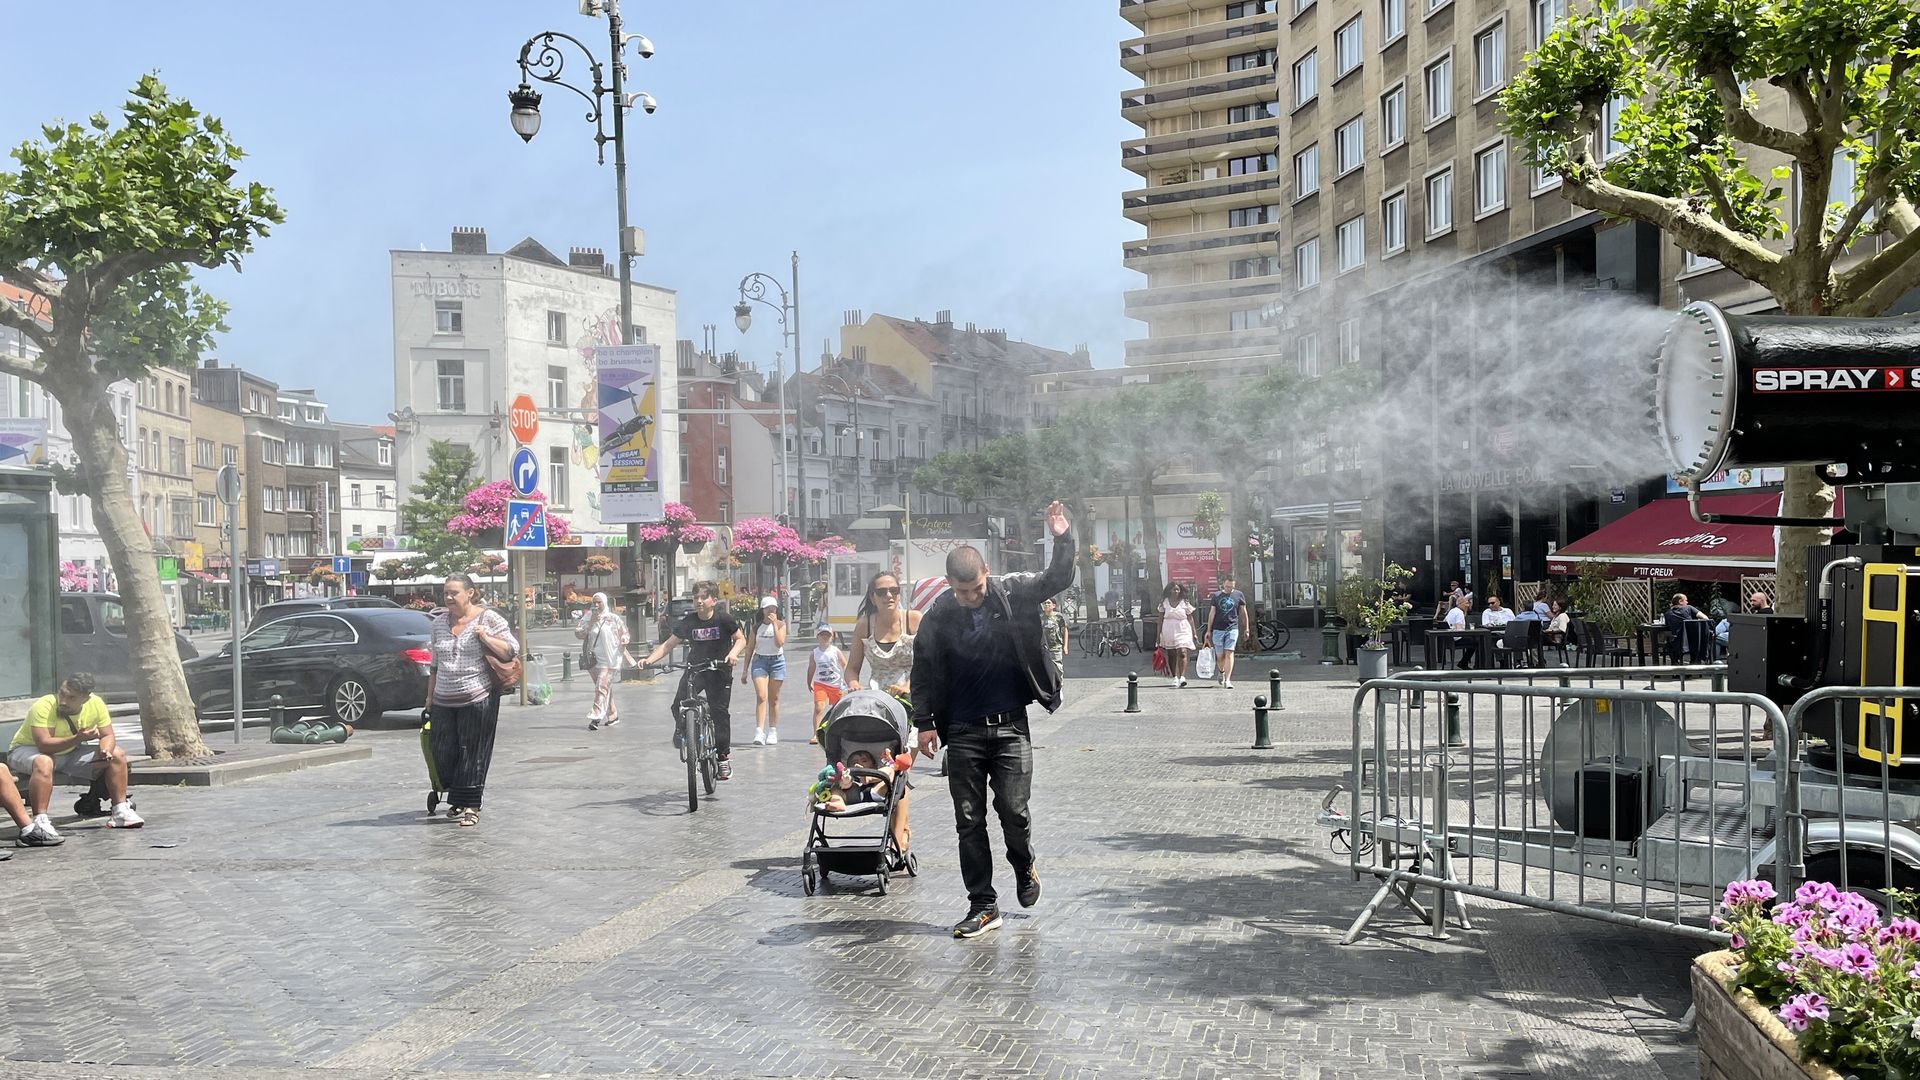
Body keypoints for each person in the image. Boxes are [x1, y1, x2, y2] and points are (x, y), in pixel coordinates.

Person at [912, 500, 1074, 939]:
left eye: (976, 589)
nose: (970, 598)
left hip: (1010, 729)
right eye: (962, 592)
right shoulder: (940, 615)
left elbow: (1057, 579)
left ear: (986, 572)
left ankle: (1024, 866)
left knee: (1014, 813)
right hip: (962, 731)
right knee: (969, 821)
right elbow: (922, 671)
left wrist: (1062, 537)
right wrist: (924, 722)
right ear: (950, 585)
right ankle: (983, 904)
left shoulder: (1012, 591)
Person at [426, 573, 519, 827]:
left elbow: (512, 650)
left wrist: (485, 637)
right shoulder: (438, 624)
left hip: (478, 696)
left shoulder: (488, 618)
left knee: (473, 752)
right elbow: (434, 665)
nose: (448, 597)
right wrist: (429, 697)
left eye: (453, 592)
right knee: (443, 750)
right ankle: (457, 797)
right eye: (445, 593)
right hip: (444, 697)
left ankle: (471, 805)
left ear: (471, 593)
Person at [7, 671, 138, 839]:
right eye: (62, 693)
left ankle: (120, 811)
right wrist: (78, 738)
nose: (63, 701)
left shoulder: (96, 704)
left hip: (69, 753)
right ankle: (40, 821)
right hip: (28, 750)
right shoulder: (45, 705)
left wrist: (105, 750)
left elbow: (107, 735)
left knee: (117, 754)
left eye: (72, 698)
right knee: (44, 761)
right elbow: (44, 745)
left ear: (86, 698)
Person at [638, 581, 745, 779]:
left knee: (719, 713)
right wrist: (648, 660)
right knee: (677, 704)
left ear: (713, 600)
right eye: (696, 597)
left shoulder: (723, 619)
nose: (699, 601)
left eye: (703, 597)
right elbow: (668, 645)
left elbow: (740, 639)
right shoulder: (690, 621)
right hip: (695, 669)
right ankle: (684, 731)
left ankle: (723, 758)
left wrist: (733, 654)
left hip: (718, 671)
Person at [847, 571, 922, 705]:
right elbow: (852, 668)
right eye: (881, 592)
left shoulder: (914, 619)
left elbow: (928, 662)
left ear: (899, 594)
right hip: (877, 699)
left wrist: (907, 686)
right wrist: (854, 684)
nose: (888, 595)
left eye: (894, 590)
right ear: (872, 597)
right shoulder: (864, 625)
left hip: (914, 694)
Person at [576, 592, 636, 731]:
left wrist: (624, 639)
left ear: (605, 603)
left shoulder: (613, 618)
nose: (596, 605)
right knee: (604, 688)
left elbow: (625, 633)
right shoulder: (588, 618)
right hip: (593, 659)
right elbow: (578, 633)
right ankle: (612, 714)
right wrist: (591, 623)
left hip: (611, 658)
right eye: (594, 602)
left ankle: (595, 717)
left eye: (599, 602)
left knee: (600, 687)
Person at [745, 597, 788, 745]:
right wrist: (744, 670)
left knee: (774, 698)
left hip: (777, 661)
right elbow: (750, 648)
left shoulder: (781, 625)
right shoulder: (756, 627)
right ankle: (759, 731)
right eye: (768, 608)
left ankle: (773, 730)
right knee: (761, 696)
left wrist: (775, 623)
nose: (771, 610)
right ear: (762, 610)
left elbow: (779, 643)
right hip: (760, 661)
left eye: (773, 608)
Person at [1204, 574, 1250, 691]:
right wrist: (1209, 630)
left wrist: (1246, 628)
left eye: (1231, 587)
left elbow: (1243, 612)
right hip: (1218, 629)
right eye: (1227, 586)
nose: (1229, 589)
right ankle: (1221, 671)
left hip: (1232, 627)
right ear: (1223, 584)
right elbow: (1212, 613)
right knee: (1220, 656)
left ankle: (1228, 679)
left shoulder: (1239, 595)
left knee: (1229, 653)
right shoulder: (1216, 595)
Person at [807, 626, 847, 745]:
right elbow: (811, 668)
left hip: (835, 684)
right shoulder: (814, 653)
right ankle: (816, 733)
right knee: (819, 707)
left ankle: (839, 731)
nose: (825, 638)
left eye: (827, 635)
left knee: (838, 709)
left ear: (832, 637)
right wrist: (809, 682)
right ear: (817, 637)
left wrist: (847, 680)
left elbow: (844, 665)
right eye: (822, 635)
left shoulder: (835, 651)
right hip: (820, 684)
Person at [1158, 583, 1198, 689]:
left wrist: (1194, 633)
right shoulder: (1164, 603)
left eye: (1178, 590)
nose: (1176, 592)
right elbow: (1160, 619)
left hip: (1183, 627)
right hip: (1168, 629)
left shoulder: (1184, 602)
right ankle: (1175, 677)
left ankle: (1182, 677)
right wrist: (1158, 636)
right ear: (1170, 590)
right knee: (1171, 654)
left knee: (1182, 651)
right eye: (1174, 589)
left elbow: (1190, 618)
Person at [1666, 592, 1711, 662]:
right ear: (1680, 601)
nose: (1687, 602)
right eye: (1685, 600)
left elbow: (1668, 627)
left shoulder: (1668, 613)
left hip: (1678, 642)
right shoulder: (1689, 608)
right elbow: (1705, 618)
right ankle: (1697, 660)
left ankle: (1675, 662)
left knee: (1668, 642)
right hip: (1695, 641)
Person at [1040, 597, 1069, 678]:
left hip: (1056, 648)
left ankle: (1059, 688)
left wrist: (1065, 646)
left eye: (1048, 603)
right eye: (1044, 603)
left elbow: (1065, 631)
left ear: (1054, 605)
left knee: (1058, 670)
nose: (1046, 605)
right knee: (1045, 670)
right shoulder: (1040, 618)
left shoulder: (1059, 617)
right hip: (1044, 648)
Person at [1445, 595, 1473, 669]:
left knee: (1472, 640)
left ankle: (1464, 662)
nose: (1468, 605)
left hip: (1448, 638)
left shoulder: (1452, 611)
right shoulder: (1459, 613)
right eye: (1466, 603)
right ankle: (1464, 662)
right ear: (1460, 604)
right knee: (1476, 642)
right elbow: (1459, 628)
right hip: (1456, 638)